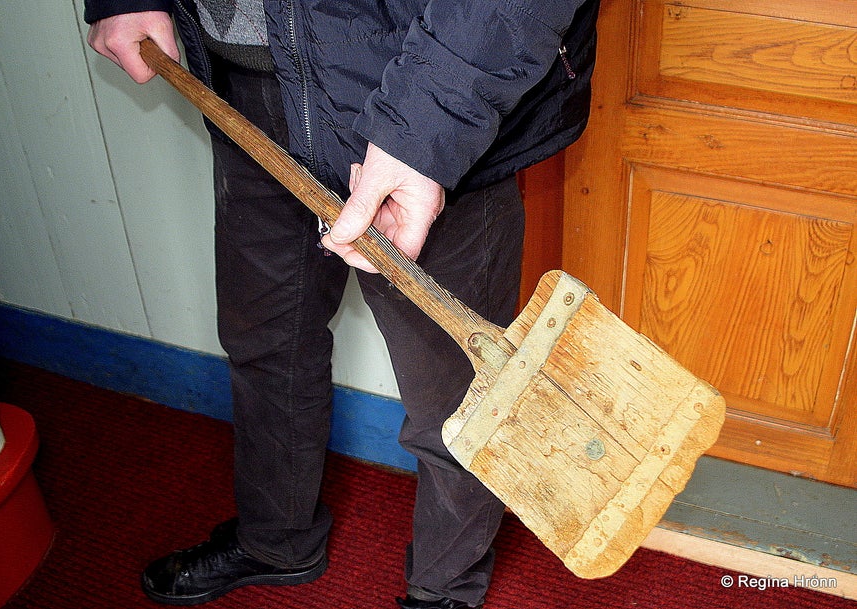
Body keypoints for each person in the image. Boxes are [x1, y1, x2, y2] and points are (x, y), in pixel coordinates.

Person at [83, 1, 600, 607]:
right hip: (250, 87)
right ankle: (277, 543)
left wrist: (427, 127)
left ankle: (444, 590)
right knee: (266, 344)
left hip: (423, 97)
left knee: (459, 396)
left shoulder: (430, 112)